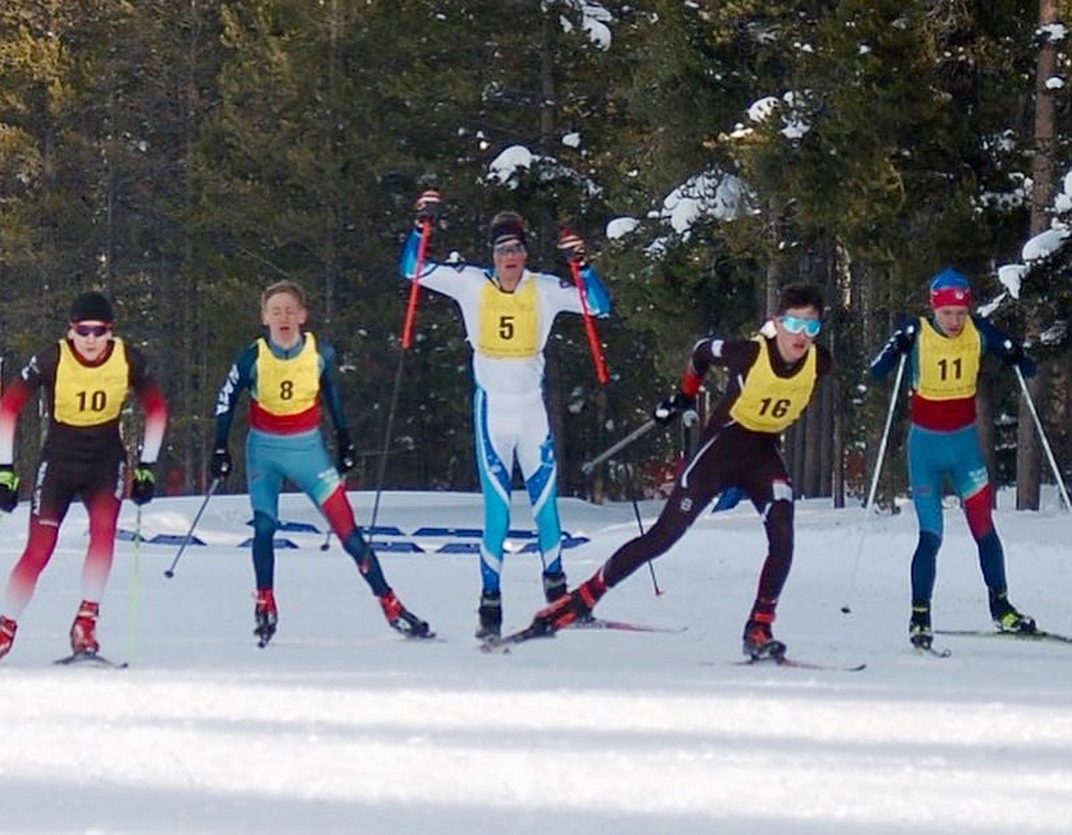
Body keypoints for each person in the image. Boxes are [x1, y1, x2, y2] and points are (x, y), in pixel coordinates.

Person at [527, 283, 832, 660]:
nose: (801, 336)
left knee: (783, 534)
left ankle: (759, 628)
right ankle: (579, 601)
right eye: (794, 324)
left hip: (763, 455)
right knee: (662, 537)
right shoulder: (749, 354)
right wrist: (685, 393)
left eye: (811, 327)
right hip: (720, 451)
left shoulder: (822, 361)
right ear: (776, 323)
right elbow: (701, 351)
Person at [400, 191, 612, 638]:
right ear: (492, 255)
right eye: (502, 250)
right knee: (496, 513)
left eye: (516, 249)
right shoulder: (471, 283)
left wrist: (584, 265)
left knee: (546, 508)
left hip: (530, 411)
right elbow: (411, 270)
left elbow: (598, 306)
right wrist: (421, 228)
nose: (510, 258)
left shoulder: (546, 289)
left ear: (526, 252)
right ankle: (489, 603)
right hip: (492, 412)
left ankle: (557, 593)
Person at [210, 279, 430, 645]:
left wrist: (345, 439)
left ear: (302, 316)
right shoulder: (251, 357)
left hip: (309, 452)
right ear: (264, 317)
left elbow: (332, 395)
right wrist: (220, 446)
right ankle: (265, 601)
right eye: (276, 311)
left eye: (290, 310)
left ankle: (390, 602)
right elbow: (226, 399)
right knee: (264, 528)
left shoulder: (319, 353)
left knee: (349, 532)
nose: (284, 317)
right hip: (264, 450)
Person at [0, 291, 169, 664]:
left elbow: (156, 407)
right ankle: (4, 629)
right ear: (71, 331)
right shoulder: (53, 357)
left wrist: (148, 465)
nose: (92, 339)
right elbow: (11, 406)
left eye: (100, 331)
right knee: (40, 547)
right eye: (83, 330)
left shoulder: (127, 359)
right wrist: (4, 469)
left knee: (104, 531)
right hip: (60, 460)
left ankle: (86, 624)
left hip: (105, 459)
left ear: (110, 331)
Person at [869, 267, 1038, 651]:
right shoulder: (918, 333)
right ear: (935, 309)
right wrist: (896, 347)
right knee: (931, 536)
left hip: (965, 448)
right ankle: (920, 615)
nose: (955, 321)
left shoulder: (979, 331)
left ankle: (1002, 608)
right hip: (925, 450)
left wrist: (1016, 356)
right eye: (948, 313)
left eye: (961, 313)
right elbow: (878, 370)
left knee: (985, 530)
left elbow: (1018, 356)